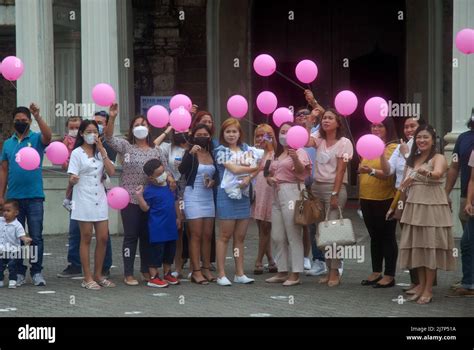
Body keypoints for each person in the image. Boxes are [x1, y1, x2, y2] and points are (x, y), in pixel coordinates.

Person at [104, 103, 175, 286]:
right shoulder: (127, 147)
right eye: (136, 125)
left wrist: (172, 184)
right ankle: (128, 272)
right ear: (132, 129)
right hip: (129, 199)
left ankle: (146, 270)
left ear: (149, 128)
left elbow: (166, 172)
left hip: (151, 199)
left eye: (143, 124)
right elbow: (109, 138)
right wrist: (112, 117)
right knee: (130, 237)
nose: (140, 127)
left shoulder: (156, 150)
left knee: (147, 236)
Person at [398, 124, 456, 304]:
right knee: (418, 248)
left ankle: (428, 289)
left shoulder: (438, 157)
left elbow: (438, 173)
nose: (421, 141)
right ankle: (421, 286)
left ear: (433, 141)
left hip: (432, 206)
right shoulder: (412, 158)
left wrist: (426, 172)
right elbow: (403, 184)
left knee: (430, 247)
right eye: (419, 138)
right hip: (414, 206)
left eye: (425, 137)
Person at [58, 111, 115, 278]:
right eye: (89, 132)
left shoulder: (100, 152)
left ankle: (99, 274)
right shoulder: (76, 153)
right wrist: (73, 179)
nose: (92, 135)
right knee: (87, 237)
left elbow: (111, 171)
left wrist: (102, 151)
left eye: (95, 132)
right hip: (82, 197)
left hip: (100, 197)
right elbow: (71, 176)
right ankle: (88, 276)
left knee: (103, 237)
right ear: (82, 134)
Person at [0, 104, 52, 286]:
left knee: (36, 236)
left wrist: (38, 116)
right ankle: (18, 272)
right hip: (13, 198)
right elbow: (4, 170)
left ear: (29, 121)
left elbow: (49, 136)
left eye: (24, 120)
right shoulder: (8, 143)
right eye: (17, 121)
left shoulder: (36, 139)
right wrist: (1, 195)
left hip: (35, 196)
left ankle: (37, 271)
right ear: (13, 122)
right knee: (17, 237)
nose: (21, 123)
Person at [306, 109, 353, 286]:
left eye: (330, 118)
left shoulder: (345, 143)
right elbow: (302, 140)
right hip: (317, 188)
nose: (326, 121)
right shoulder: (319, 139)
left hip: (334, 189)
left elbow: (341, 170)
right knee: (321, 233)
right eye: (324, 118)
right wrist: (310, 122)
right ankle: (328, 270)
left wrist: (335, 193)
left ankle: (335, 272)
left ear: (338, 122)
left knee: (332, 233)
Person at [380, 117, 426, 294]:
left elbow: (418, 169)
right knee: (408, 240)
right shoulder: (401, 146)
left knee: (419, 241)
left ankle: (424, 283)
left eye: (412, 126)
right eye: (406, 127)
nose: (408, 130)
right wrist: (379, 154)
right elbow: (388, 171)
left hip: (419, 195)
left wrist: (407, 152)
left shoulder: (424, 146)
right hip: (401, 196)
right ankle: (415, 281)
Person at [265, 122, 312, 286]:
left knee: (293, 234)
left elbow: (301, 173)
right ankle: (282, 270)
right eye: (282, 131)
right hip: (277, 193)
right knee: (277, 235)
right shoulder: (277, 154)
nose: (283, 134)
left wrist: (295, 158)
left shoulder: (300, 152)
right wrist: (270, 179)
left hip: (292, 192)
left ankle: (296, 273)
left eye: (287, 132)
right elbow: (269, 173)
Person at [214, 118, 257, 286]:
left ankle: (239, 273)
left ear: (240, 133)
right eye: (228, 131)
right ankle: (221, 274)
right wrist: (256, 168)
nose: (231, 134)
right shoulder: (220, 150)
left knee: (240, 237)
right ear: (223, 134)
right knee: (225, 236)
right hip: (226, 195)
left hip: (244, 195)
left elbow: (253, 168)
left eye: (234, 131)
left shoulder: (246, 148)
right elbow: (234, 169)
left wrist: (249, 177)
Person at [359, 117, 399, 288]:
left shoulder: (392, 147)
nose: (376, 129)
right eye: (373, 126)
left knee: (387, 236)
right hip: (366, 197)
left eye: (380, 126)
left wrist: (371, 171)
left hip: (385, 198)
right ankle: (376, 271)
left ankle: (389, 274)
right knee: (374, 236)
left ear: (388, 128)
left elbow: (387, 172)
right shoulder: (366, 146)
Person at [179, 124, 219, 284]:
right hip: (192, 195)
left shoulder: (212, 153)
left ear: (209, 137)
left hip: (208, 196)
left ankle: (206, 268)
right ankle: (195, 271)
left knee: (208, 235)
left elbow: (218, 175)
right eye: (199, 134)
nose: (202, 136)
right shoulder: (190, 152)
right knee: (195, 235)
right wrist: (190, 153)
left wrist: (213, 182)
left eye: (205, 134)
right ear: (193, 136)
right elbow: (182, 170)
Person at [135, 159, 180, 288]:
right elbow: (145, 208)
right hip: (157, 227)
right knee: (155, 252)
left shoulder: (170, 186)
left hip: (170, 225)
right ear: (150, 177)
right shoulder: (149, 191)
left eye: (163, 171)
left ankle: (167, 273)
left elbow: (175, 201)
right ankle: (153, 277)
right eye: (159, 173)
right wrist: (139, 196)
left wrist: (178, 217)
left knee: (169, 251)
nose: (163, 175)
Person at [154, 128, 188, 278]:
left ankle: (195, 266)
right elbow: (154, 145)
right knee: (178, 230)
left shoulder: (193, 147)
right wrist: (168, 128)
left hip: (190, 190)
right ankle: (177, 267)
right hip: (173, 190)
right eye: (178, 130)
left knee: (193, 230)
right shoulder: (168, 147)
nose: (182, 133)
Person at [251, 124, 277, 274]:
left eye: (265, 135)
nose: (261, 139)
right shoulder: (256, 153)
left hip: (269, 190)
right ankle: (271, 260)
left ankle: (259, 261)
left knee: (266, 227)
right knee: (261, 228)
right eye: (258, 136)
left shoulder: (275, 153)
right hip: (258, 190)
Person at [0, 200, 32, 288]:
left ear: (16, 212)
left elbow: (21, 235)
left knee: (12, 266)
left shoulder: (17, 225)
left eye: (8, 211)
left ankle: (13, 280)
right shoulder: (1, 221)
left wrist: (25, 239)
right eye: (4, 211)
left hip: (13, 251)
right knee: (0, 266)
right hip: (1, 250)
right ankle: (1, 280)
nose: (5, 213)